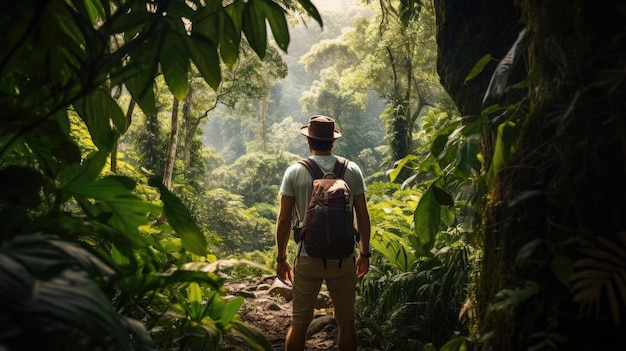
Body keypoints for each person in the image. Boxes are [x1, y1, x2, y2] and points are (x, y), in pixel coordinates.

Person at [274, 115, 371, 351]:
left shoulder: (295, 171)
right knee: (346, 322)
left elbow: (285, 219)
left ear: (309, 141)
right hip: (343, 258)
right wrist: (364, 254)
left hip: (308, 256)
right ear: (332, 142)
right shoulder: (352, 169)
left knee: (300, 323)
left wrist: (281, 258)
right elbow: (363, 216)